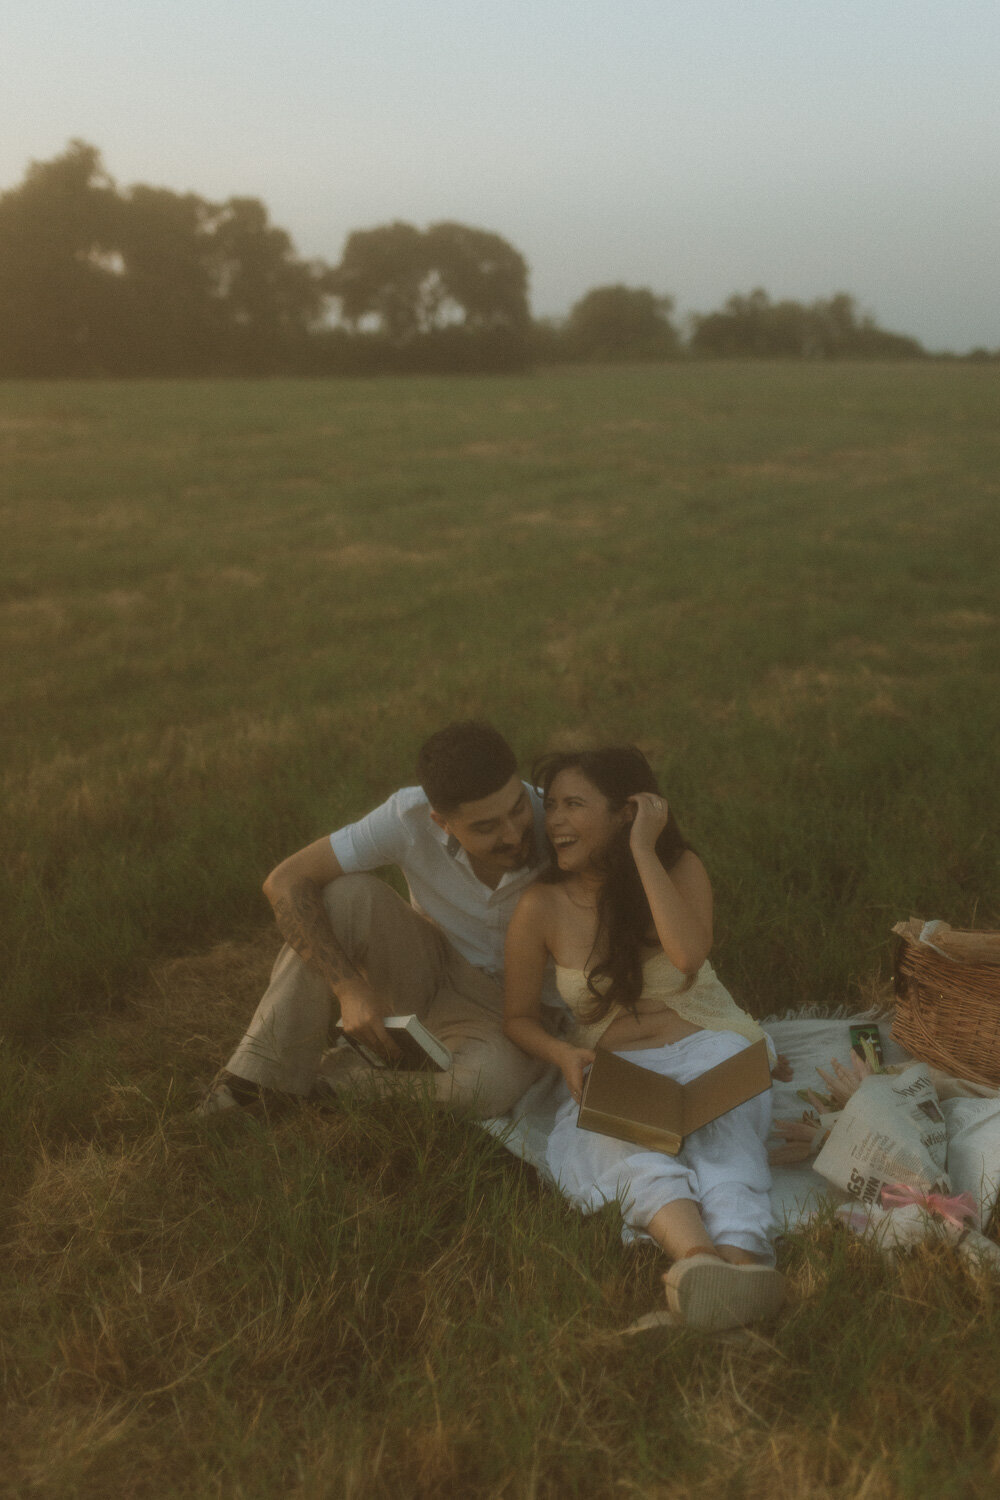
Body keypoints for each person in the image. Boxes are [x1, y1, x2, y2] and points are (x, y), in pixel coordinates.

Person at [503, 746, 787, 1332]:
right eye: (550, 804)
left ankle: (736, 1267)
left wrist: (642, 851)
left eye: (574, 804)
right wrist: (562, 1054)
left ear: (626, 811)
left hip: (711, 1043)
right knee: (625, 1149)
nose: (553, 819)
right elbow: (517, 1018)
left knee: (724, 1139)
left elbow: (686, 953)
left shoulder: (679, 868)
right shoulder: (541, 904)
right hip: (617, 1069)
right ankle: (701, 1265)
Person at [198, 721, 562, 1118]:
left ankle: (331, 1085)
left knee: (482, 1090)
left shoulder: (561, 820)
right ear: (442, 821)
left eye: (518, 808)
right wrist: (349, 987)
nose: (513, 834)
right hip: (429, 966)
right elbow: (285, 881)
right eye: (486, 827)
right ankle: (252, 1085)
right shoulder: (408, 816)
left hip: (520, 1010)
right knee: (344, 896)